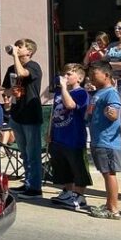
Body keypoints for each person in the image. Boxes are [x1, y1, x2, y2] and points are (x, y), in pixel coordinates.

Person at [3, 38, 44, 198]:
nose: (17, 48)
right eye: (17, 46)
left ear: (29, 51)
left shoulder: (33, 66)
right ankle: (28, 183)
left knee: (32, 152)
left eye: (21, 47)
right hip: (17, 113)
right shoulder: (11, 68)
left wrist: (14, 55)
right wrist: (9, 92)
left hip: (30, 114)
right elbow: (5, 90)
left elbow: (22, 74)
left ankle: (35, 188)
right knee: (24, 153)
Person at [48, 63, 91, 211]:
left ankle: (79, 195)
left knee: (77, 166)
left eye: (68, 75)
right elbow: (54, 114)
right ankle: (67, 191)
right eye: (64, 74)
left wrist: (65, 88)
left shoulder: (81, 93)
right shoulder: (59, 94)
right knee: (62, 166)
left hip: (74, 137)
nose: (65, 77)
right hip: (59, 136)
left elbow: (71, 106)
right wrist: (50, 133)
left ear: (79, 78)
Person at [85, 61, 121, 220]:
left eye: (94, 75)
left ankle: (113, 209)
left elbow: (115, 113)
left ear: (106, 75)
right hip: (98, 140)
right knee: (105, 172)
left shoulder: (111, 93)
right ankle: (108, 204)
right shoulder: (98, 92)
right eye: (90, 75)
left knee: (109, 174)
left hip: (107, 141)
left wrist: (111, 113)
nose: (91, 78)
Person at [104, 20, 121, 154]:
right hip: (112, 82)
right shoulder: (112, 45)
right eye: (115, 28)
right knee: (113, 112)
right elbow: (102, 60)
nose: (117, 30)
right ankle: (116, 142)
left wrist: (109, 64)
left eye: (120, 28)